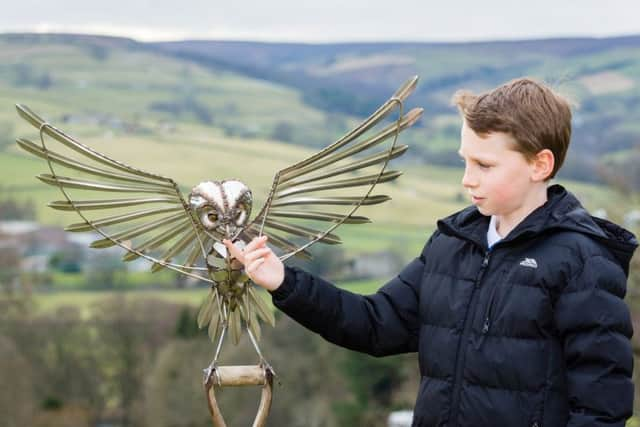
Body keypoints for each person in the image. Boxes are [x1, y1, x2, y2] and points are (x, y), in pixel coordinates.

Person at [224, 78, 637, 427]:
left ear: (540, 165)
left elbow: (601, 406)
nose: (466, 179)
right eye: (464, 161)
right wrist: (283, 280)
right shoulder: (452, 244)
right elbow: (374, 324)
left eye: (484, 165)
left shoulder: (583, 261)